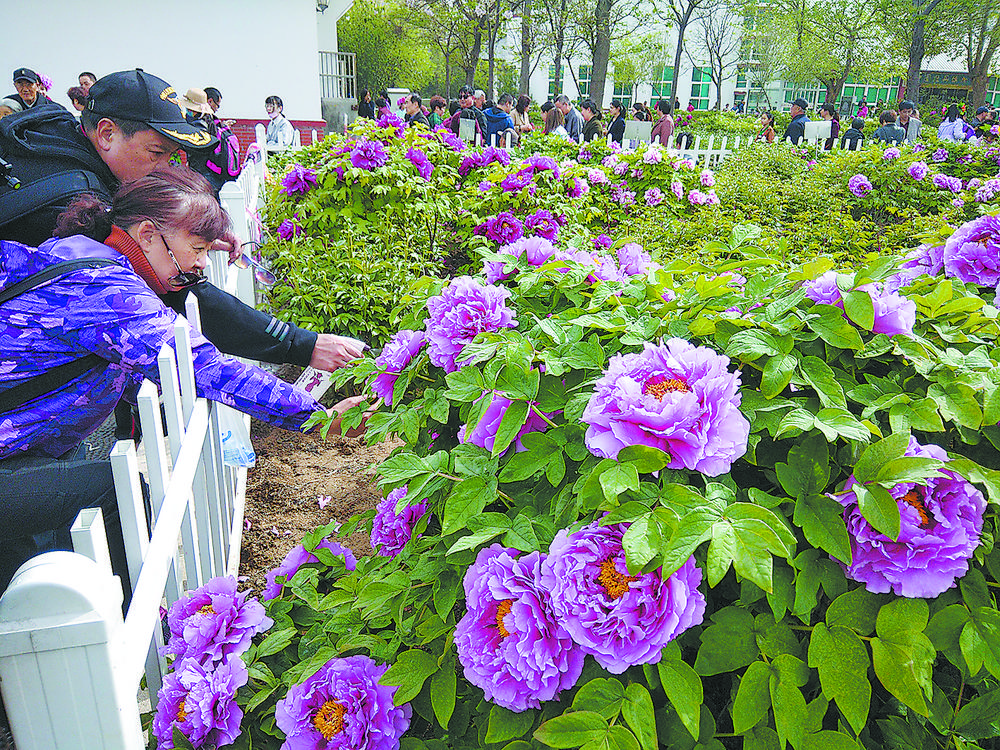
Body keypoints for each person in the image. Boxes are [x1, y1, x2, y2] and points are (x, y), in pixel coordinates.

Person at [0, 167, 365, 595]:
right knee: (122, 496)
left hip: (23, 445)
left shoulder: (81, 255)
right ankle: (136, 630)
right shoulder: (106, 290)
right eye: (197, 247)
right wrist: (316, 417)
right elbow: (206, 368)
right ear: (149, 234)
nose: (201, 263)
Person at [0, 69, 363, 381]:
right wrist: (303, 345)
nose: (164, 170)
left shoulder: (65, 143)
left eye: (173, 156)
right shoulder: (67, 205)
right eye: (156, 153)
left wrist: (184, 234)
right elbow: (177, 293)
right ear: (107, 133)